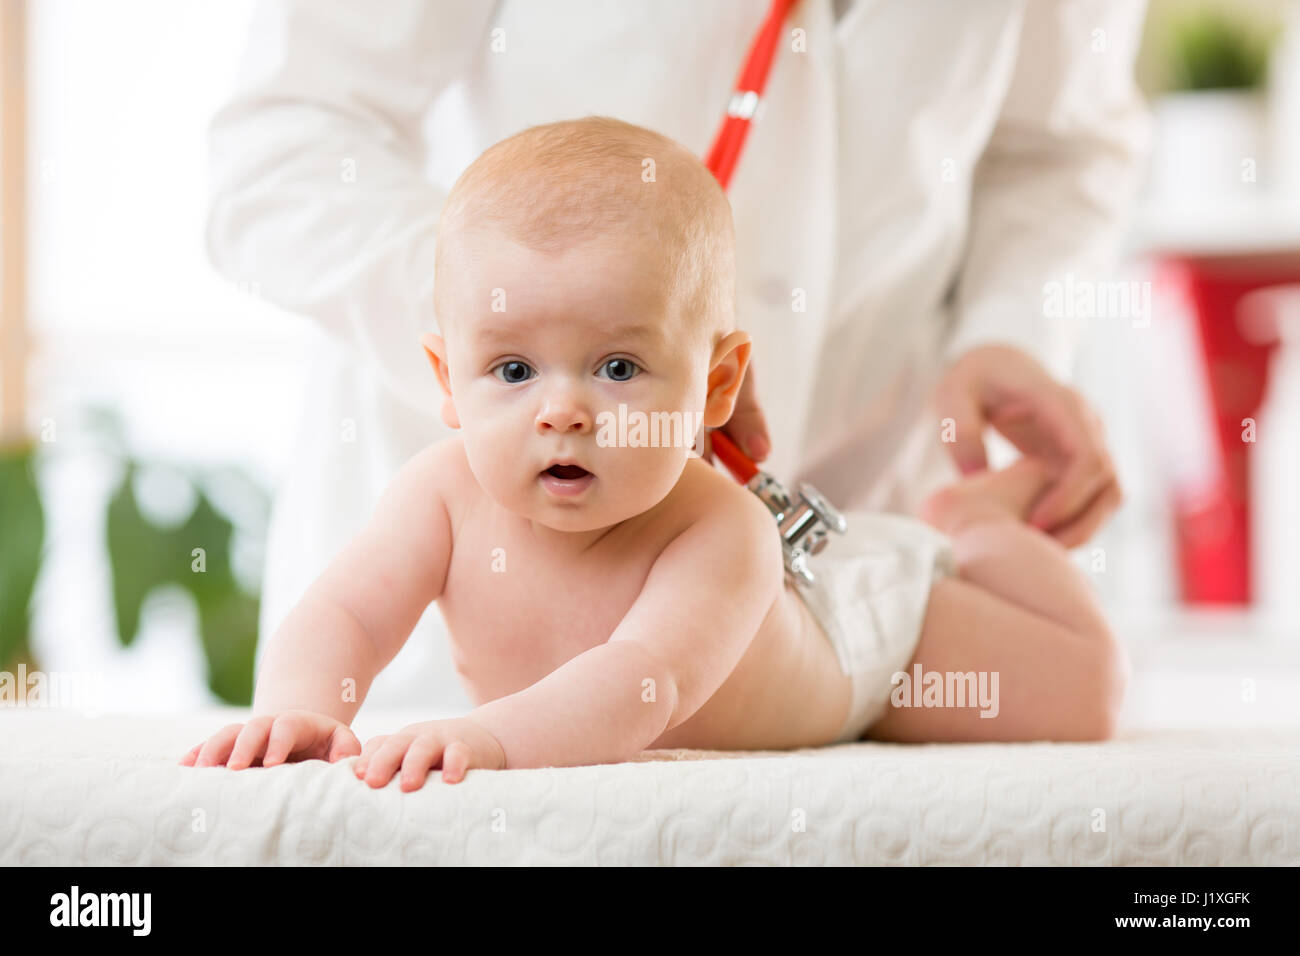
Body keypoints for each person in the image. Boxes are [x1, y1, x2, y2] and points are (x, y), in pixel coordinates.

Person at [204, 0, 1149, 712]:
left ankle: (978, 534)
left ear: (722, 377)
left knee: (1036, 669)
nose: (568, 407)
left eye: (613, 371)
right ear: (449, 372)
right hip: (446, 636)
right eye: (508, 374)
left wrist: (1011, 329)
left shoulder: (742, 546)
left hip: (845, 542)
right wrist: (535, 328)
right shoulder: (432, 506)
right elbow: (281, 147)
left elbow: (1056, 151)